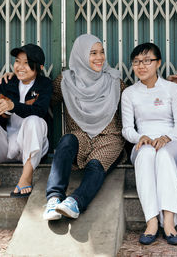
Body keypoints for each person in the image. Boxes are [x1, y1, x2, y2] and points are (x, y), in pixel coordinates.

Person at [42, 34, 126, 220]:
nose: (99, 57)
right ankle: (54, 198)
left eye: (102, 52)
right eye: (93, 53)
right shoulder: (65, 81)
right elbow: (44, 100)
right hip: (80, 136)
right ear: (80, 55)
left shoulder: (113, 81)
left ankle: (75, 202)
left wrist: (163, 84)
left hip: (109, 138)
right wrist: (15, 85)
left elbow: (135, 99)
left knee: (96, 166)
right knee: (66, 141)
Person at [121, 43, 177, 245]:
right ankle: (151, 221)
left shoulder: (171, 89)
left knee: (164, 156)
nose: (141, 66)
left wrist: (166, 138)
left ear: (158, 63)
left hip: (174, 141)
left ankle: (168, 223)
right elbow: (127, 129)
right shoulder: (129, 93)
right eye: (136, 62)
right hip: (143, 142)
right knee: (146, 155)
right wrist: (139, 138)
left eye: (147, 61)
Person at [0, 44, 52, 197]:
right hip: (7, 143)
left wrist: (13, 106)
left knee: (35, 120)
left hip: (31, 145)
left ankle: (26, 177)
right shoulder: (8, 82)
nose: (20, 67)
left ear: (39, 67)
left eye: (27, 63)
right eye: (17, 61)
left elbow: (40, 111)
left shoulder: (44, 84)